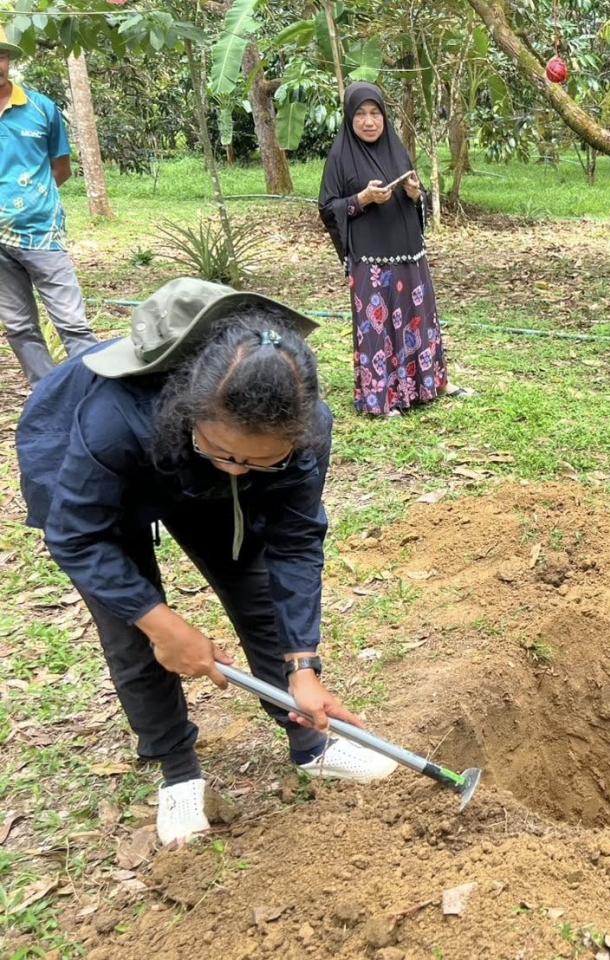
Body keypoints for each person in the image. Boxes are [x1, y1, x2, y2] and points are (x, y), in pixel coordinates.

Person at [16, 278, 398, 846]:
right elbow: (77, 535)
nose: (239, 470)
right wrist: (161, 622)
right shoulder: (116, 416)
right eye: (226, 453)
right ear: (191, 413)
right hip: (104, 475)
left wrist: (304, 666)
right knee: (134, 630)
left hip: (195, 472)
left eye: (261, 461)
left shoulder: (304, 429)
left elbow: (294, 542)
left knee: (259, 589)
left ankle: (311, 746)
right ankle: (177, 771)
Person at [319, 82, 455, 417]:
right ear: (350, 118)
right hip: (371, 262)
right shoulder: (340, 156)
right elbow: (327, 207)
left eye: (375, 113)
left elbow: (418, 198)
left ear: (384, 116)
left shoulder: (397, 149)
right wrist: (361, 199)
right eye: (361, 115)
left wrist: (413, 194)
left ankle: (428, 385)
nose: (369, 122)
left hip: (409, 256)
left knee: (418, 321)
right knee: (377, 328)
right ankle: (382, 398)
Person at [0, 24, 97, 386]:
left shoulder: (41, 109)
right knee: (20, 327)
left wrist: (30, 203)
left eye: (2, 55)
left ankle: (96, 393)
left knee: (73, 324)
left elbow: (61, 169)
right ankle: (47, 395)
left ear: (9, 60)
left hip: (42, 235)